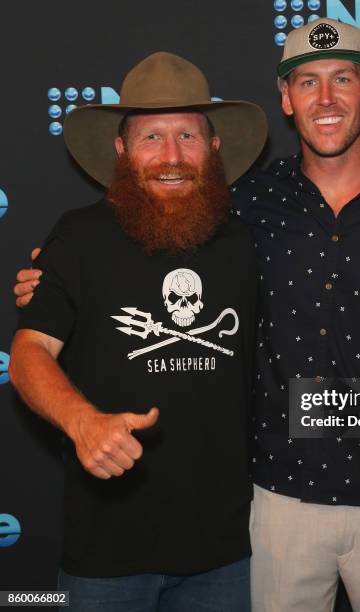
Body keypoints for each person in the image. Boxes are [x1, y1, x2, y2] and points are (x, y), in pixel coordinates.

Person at [15, 18, 360, 612]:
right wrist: (50, 274)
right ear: (286, 100)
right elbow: (139, 235)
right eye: (307, 82)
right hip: (276, 506)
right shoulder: (251, 204)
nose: (327, 98)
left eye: (343, 78)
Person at [9, 51, 267, 612]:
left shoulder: (248, 245)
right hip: (106, 555)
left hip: (228, 553)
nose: (171, 157)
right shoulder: (77, 238)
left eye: (187, 136)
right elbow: (29, 352)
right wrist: (82, 422)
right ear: (122, 149)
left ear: (215, 146)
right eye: (151, 138)